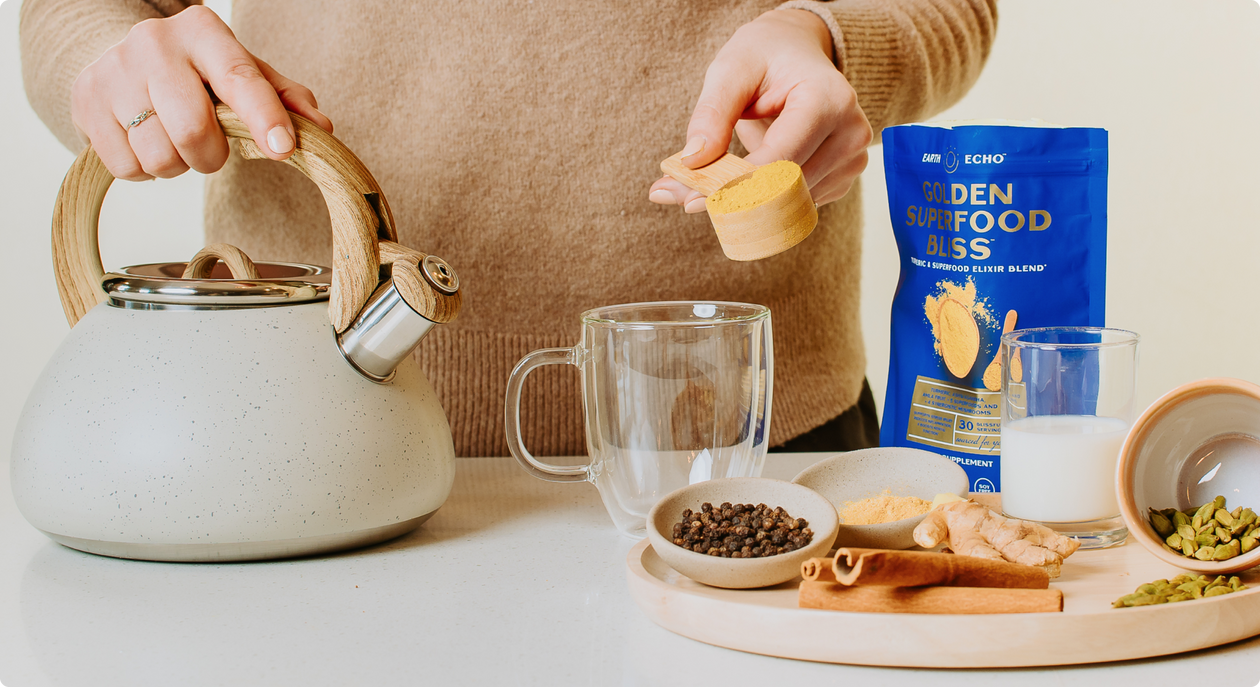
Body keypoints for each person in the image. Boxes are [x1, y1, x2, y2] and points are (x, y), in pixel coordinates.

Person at [20, 0, 997, 457]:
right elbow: (77, 12)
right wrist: (112, 59)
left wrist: (833, 41)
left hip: (753, 432)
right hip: (297, 436)